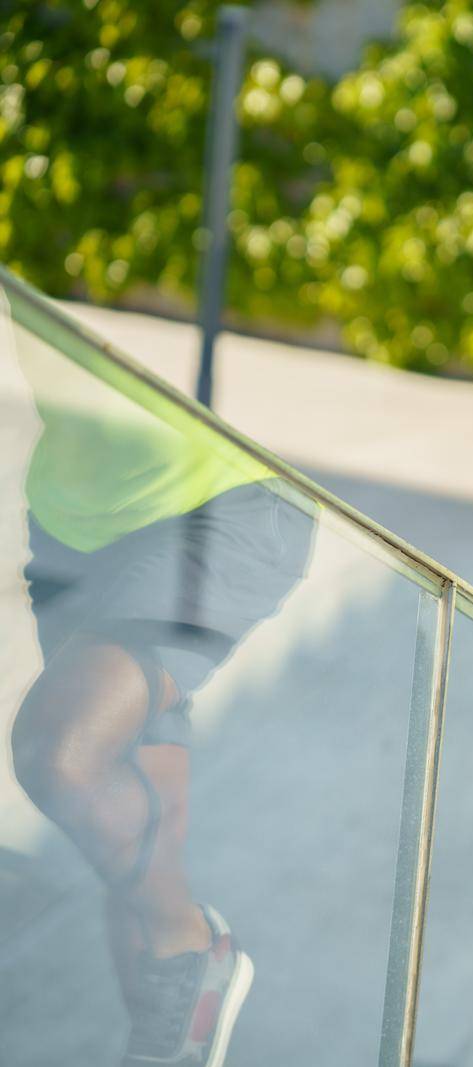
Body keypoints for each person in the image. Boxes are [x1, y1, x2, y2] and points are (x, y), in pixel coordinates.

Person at [6, 308, 315, 1067]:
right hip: (75, 520)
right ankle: (165, 1042)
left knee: (61, 750)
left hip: (222, 496)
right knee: (135, 821)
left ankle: (191, 941)